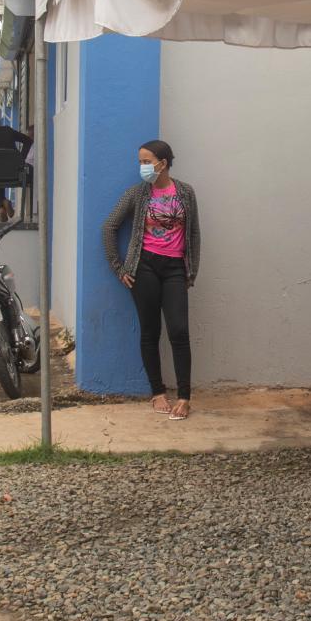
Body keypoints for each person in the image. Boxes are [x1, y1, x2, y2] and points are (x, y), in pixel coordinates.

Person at [102, 140, 202, 420]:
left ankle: (184, 397)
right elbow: (109, 226)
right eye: (141, 162)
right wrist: (118, 267)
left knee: (179, 331)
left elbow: (193, 233)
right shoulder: (137, 193)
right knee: (150, 331)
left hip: (175, 270)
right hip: (144, 268)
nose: (143, 167)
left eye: (147, 161)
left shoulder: (185, 192)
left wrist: (191, 270)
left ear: (163, 163)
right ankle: (157, 393)